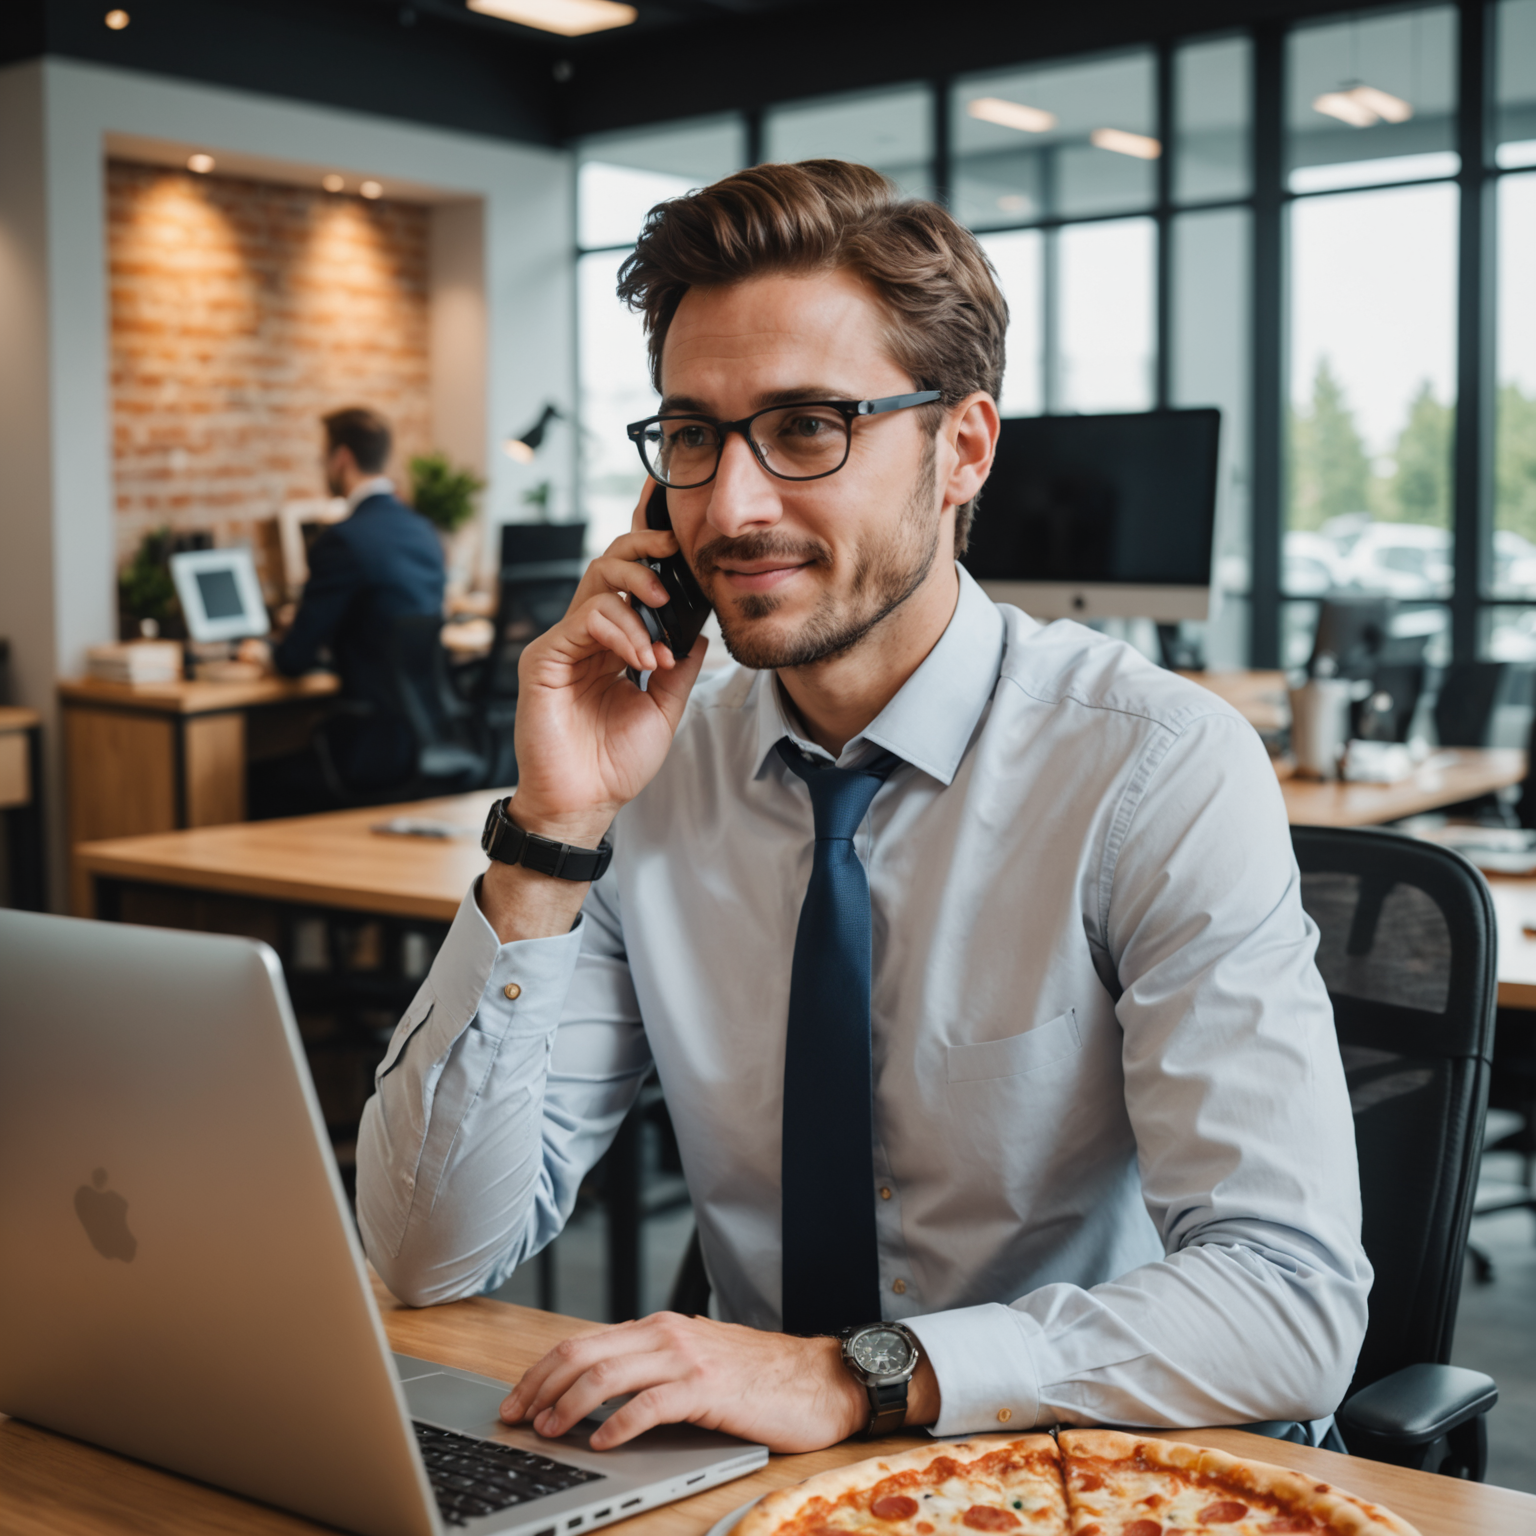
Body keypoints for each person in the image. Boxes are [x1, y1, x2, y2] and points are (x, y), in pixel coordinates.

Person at [356, 161, 1369, 1454]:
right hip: (748, 1481)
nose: (730, 505)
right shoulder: (656, 771)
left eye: (807, 427)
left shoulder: (1154, 767)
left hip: (1076, 1461)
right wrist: (553, 831)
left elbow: (1289, 1306)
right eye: (692, 436)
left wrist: (856, 1376)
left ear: (962, 450)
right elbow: (430, 1254)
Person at [249, 407, 446, 810]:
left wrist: (262, 651)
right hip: (422, 739)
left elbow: (294, 659)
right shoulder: (423, 531)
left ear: (341, 458)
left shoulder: (342, 540)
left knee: (249, 781)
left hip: (364, 748)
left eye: (323, 457)